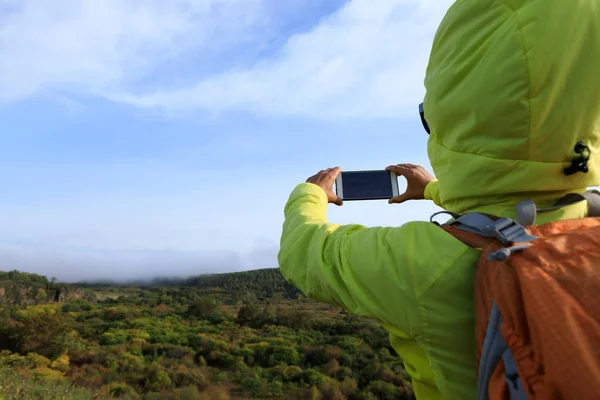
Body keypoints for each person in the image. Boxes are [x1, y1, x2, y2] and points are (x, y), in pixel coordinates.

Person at [277, 1, 600, 399]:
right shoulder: (592, 220)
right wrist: (433, 189)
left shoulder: (419, 266)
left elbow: (304, 252)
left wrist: (309, 193)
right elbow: (523, 192)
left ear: (452, 118)